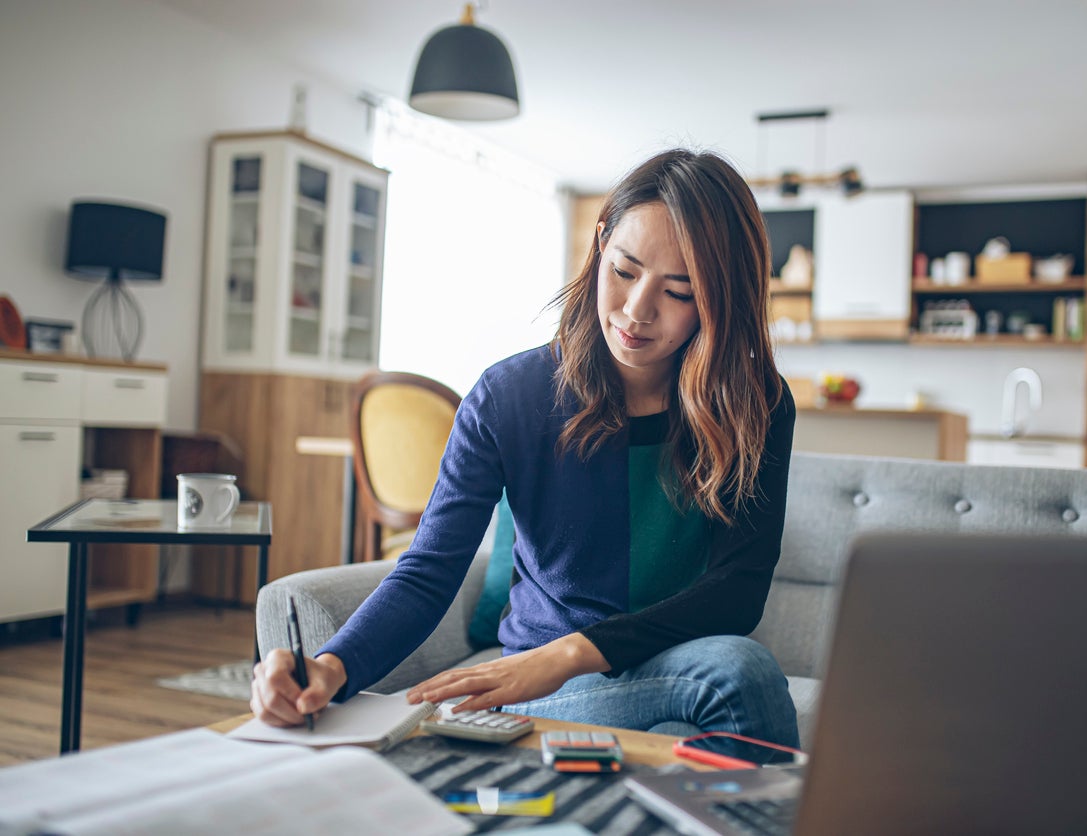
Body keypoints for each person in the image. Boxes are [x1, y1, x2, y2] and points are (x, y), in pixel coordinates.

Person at [251, 148, 799, 746]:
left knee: (730, 675)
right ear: (599, 244)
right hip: (550, 687)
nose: (638, 311)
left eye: (680, 291)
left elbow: (738, 591)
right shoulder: (509, 396)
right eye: (624, 271)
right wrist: (329, 669)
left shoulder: (755, 403)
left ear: (721, 299)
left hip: (664, 662)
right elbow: (428, 572)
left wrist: (567, 653)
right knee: (735, 680)